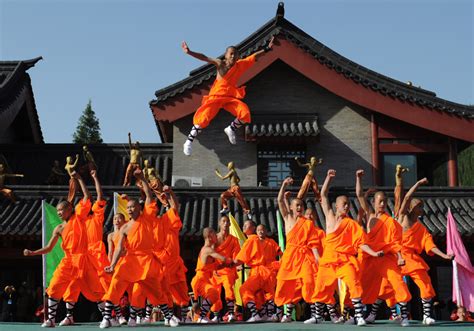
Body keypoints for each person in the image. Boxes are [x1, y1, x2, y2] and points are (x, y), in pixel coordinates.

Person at [23, 172, 105, 327]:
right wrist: (33, 252)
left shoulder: (79, 218)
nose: (59, 213)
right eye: (58, 211)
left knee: (95, 290)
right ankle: (51, 319)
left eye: (62, 210)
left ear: (70, 209)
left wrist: (80, 178)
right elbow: (49, 248)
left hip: (83, 259)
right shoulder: (59, 228)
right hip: (68, 260)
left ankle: (108, 316)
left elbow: (87, 197)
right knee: (54, 287)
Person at [100, 170, 174, 328]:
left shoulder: (146, 217)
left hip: (147, 261)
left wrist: (142, 179)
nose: (130, 210)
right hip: (130, 260)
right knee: (116, 283)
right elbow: (119, 248)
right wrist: (113, 265)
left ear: (140, 208)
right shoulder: (125, 228)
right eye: (128, 208)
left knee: (156, 290)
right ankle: (107, 317)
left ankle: (168, 316)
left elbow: (149, 195)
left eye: (133, 207)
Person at [311, 170, 384, 326]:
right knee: (321, 285)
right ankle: (317, 316)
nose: (347, 206)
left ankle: (358, 316)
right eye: (344, 204)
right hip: (329, 259)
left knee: (353, 282)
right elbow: (323, 195)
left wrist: (374, 253)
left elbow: (360, 243)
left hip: (345, 260)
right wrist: (328, 178)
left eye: (348, 204)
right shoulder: (329, 216)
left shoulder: (351, 224)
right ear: (336, 205)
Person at [181, 37, 274, 156]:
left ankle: (231, 128)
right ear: (225, 55)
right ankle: (188, 142)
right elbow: (204, 57)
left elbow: (254, 57)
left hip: (230, 97)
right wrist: (190, 52)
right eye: (231, 54)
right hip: (216, 96)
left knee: (244, 112)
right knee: (203, 119)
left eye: (236, 54)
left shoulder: (240, 65)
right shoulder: (220, 64)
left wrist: (266, 49)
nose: (233, 56)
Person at [387, 178, 454, 325]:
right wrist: (417, 184)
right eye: (418, 206)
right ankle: (403, 316)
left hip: (413, 259)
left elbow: (430, 245)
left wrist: (445, 256)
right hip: (397, 257)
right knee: (396, 287)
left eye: (421, 206)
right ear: (411, 208)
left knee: (425, 284)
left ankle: (427, 316)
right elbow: (407, 197)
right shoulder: (402, 217)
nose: (421, 208)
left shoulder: (421, 228)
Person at [355, 169, 412, 327]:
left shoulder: (389, 221)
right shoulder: (370, 216)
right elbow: (359, 195)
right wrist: (358, 178)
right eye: (379, 201)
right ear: (373, 203)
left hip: (386, 258)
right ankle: (359, 315)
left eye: (384, 202)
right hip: (370, 259)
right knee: (361, 286)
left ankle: (404, 316)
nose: (382, 204)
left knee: (397, 282)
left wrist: (400, 257)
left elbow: (394, 242)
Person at [274, 177, 321, 323]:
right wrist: (283, 185)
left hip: (305, 256)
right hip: (290, 256)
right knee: (285, 284)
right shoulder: (287, 218)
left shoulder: (307, 223)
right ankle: (287, 314)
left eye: (301, 205)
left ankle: (316, 315)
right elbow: (280, 200)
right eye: (297, 205)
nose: (300, 207)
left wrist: (317, 258)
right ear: (292, 207)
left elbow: (313, 242)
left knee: (309, 281)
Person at [234, 224, 282, 322]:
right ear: (256, 231)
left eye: (262, 230)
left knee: (261, 292)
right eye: (259, 230)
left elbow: (281, 254)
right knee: (259, 293)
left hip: (266, 271)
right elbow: (242, 257)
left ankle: (263, 315)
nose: (260, 232)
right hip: (263, 272)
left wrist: (279, 265)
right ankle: (262, 315)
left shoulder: (266, 241)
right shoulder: (258, 241)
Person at [191, 227, 233, 323]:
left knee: (215, 295)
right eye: (215, 234)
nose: (217, 236)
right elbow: (223, 258)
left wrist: (227, 265)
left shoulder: (209, 250)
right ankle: (201, 317)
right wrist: (233, 261)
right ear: (210, 236)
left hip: (204, 279)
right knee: (213, 293)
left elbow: (217, 266)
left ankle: (201, 317)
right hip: (200, 279)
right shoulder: (207, 250)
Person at [213, 216, 241, 322]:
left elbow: (236, 255)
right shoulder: (214, 238)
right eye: (223, 221)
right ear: (220, 224)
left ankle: (231, 313)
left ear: (229, 224)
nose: (226, 223)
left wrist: (236, 264)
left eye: (227, 222)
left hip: (228, 269)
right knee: (214, 292)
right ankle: (216, 315)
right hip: (215, 270)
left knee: (229, 289)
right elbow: (209, 254)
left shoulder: (234, 240)